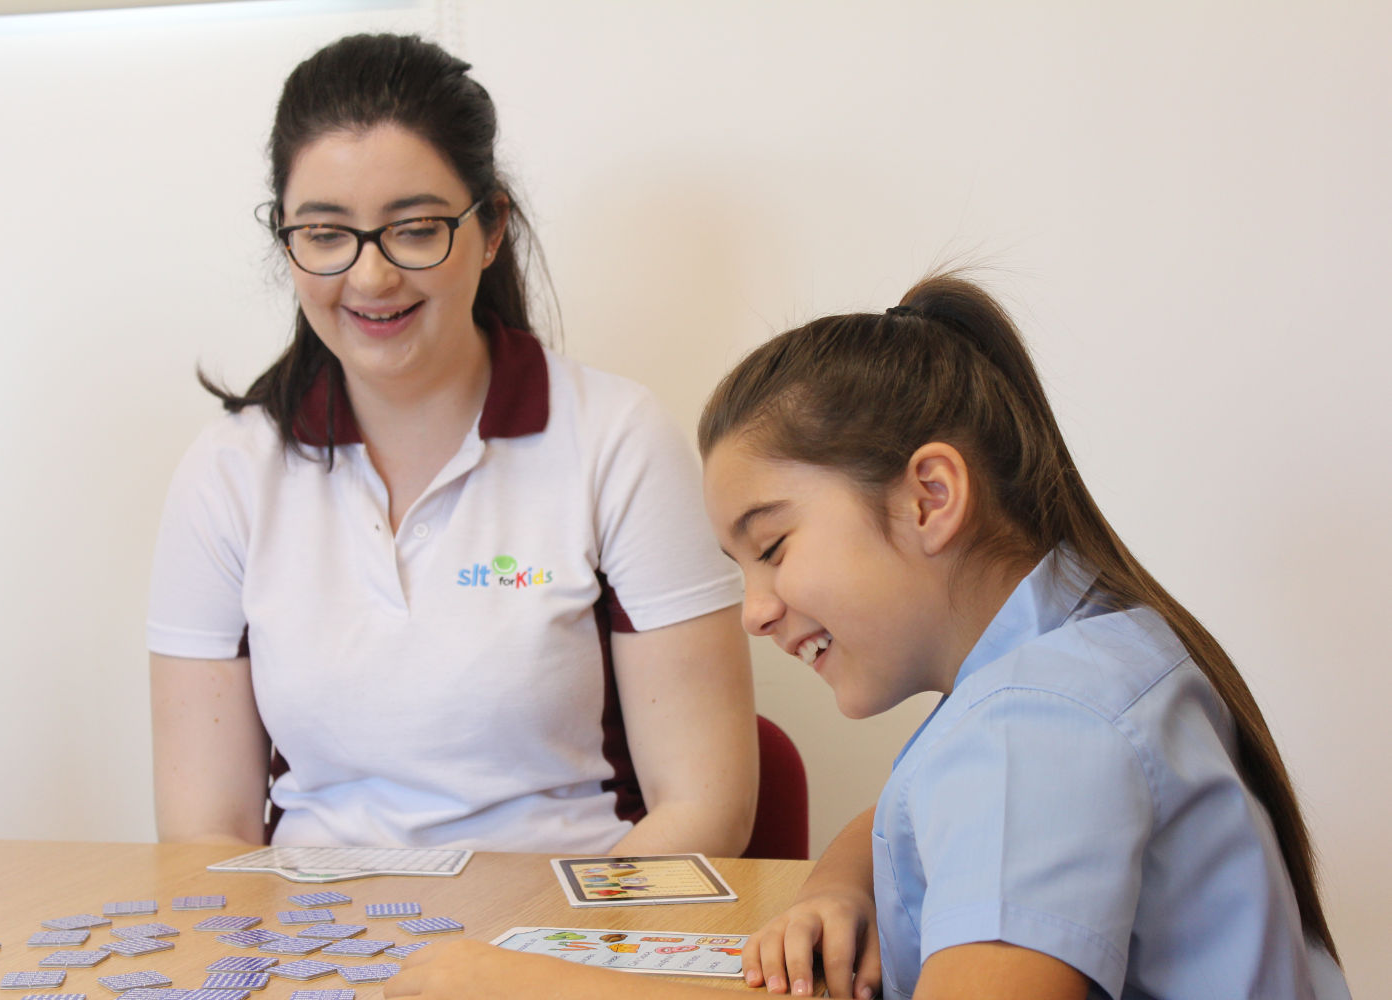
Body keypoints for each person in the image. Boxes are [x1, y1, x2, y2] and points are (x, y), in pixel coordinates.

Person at [383, 273, 1350, 999]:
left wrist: (505, 981)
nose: (756, 607)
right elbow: (898, 811)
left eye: (772, 545)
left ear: (931, 496)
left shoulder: (1040, 725)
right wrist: (839, 889)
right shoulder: (1077, 650)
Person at [145, 33, 757, 855]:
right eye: (326, 235)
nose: (370, 278)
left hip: (566, 939)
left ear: (491, 225)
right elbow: (205, 838)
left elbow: (705, 812)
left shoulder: (618, 440)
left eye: (415, 228)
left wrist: (517, 968)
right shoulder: (227, 475)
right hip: (317, 952)